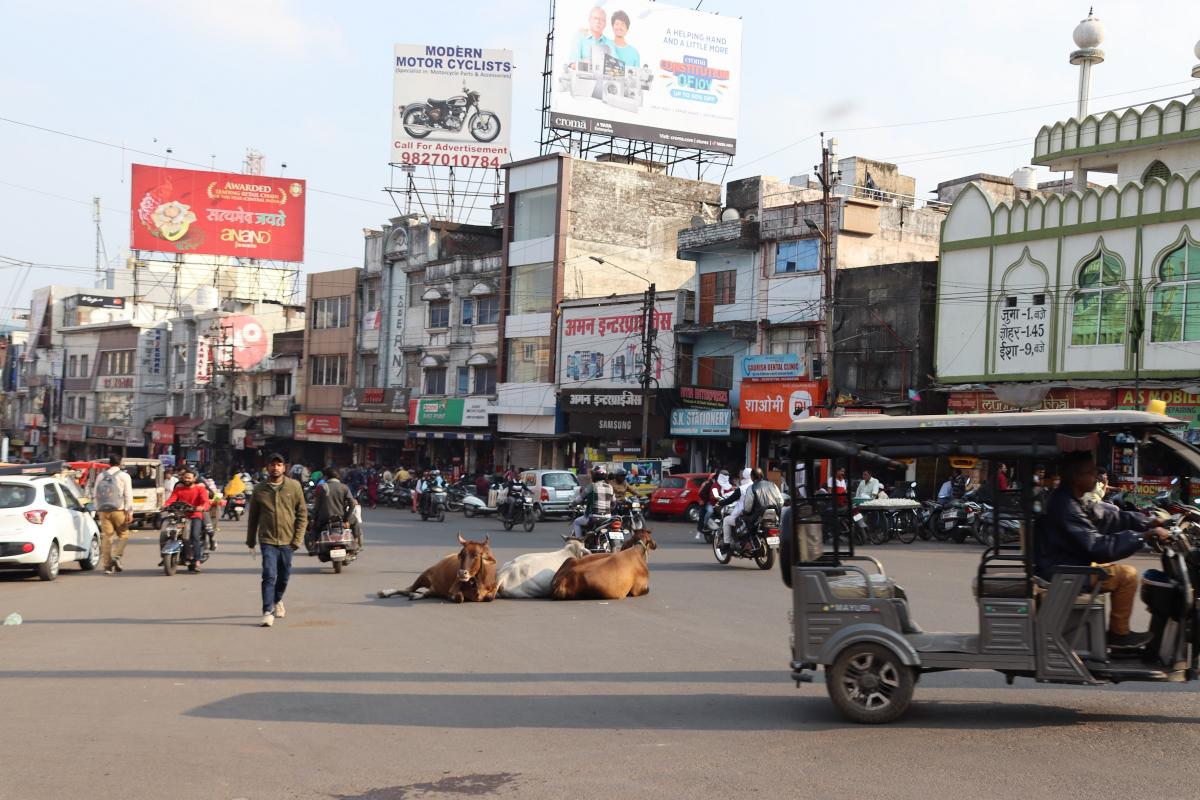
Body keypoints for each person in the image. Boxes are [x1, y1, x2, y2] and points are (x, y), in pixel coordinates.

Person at [1038, 451, 1170, 648]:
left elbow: (1109, 518)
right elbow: (1097, 547)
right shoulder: (1065, 506)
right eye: (1091, 472)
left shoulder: (1074, 499)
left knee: (1121, 571)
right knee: (1127, 575)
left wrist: (1147, 522)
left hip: (1070, 564)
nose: (1097, 477)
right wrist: (1142, 537)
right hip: (1065, 571)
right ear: (1077, 477)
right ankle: (1119, 634)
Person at [246, 453, 307, 628]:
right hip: (268, 539)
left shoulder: (294, 486)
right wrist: (251, 541)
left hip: (288, 540)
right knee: (269, 574)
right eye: (272, 465)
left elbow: (302, 514)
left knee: (284, 576)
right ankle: (267, 611)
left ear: (284, 467)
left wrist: (298, 538)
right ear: (267, 467)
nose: (275, 468)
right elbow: (253, 518)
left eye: (279, 464)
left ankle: (277, 599)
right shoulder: (259, 489)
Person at [162, 467, 211, 572]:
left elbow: (206, 502)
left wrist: (202, 507)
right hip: (180, 516)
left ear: (194, 478)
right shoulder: (179, 488)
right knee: (165, 534)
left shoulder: (200, 489)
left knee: (194, 536)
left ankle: (197, 560)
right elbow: (172, 499)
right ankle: (164, 556)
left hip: (195, 515)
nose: (186, 479)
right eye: (185, 477)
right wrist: (165, 505)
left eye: (189, 478)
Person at [95, 454, 134, 575]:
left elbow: (95, 493)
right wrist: (129, 512)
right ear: (120, 463)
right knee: (123, 534)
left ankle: (107, 566)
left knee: (107, 537)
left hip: (103, 510)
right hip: (119, 510)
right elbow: (128, 494)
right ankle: (117, 556)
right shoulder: (124, 476)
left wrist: (98, 509)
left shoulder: (101, 475)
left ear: (109, 463)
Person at [310, 467, 360, 551]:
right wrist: (347, 518)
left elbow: (317, 506)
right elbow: (352, 503)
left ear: (326, 477)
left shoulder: (322, 487)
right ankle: (355, 541)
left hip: (325, 519)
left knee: (315, 527)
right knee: (355, 521)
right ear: (338, 476)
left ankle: (314, 544)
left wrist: (314, 518)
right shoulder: (344, 487)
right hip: (341, 518)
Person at [740, 468, 784, 549]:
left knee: (743, 520)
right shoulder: (773, 485)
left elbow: (748, 506)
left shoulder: (752, 488)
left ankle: (750, 543)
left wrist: (745, 512)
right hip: (774, 513)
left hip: (759, 515)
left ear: (752, 477)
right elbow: (781, 501)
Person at [573, 466, 614, 539]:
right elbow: (614, 502)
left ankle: (579, 542)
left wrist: (572, 504)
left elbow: (579, 499)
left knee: (576, 522)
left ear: (594, 476)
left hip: (594, 517)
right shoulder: (610, 487)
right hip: (607, 518)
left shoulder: (592, 486)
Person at [718, 468, 755, 549]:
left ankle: (727, 544)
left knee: (726, 520)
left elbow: (731, 499)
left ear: (744, 476)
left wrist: (721, 503)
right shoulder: (756, 486)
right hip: (755, 515)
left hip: (743, 514)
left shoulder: (741, 489)